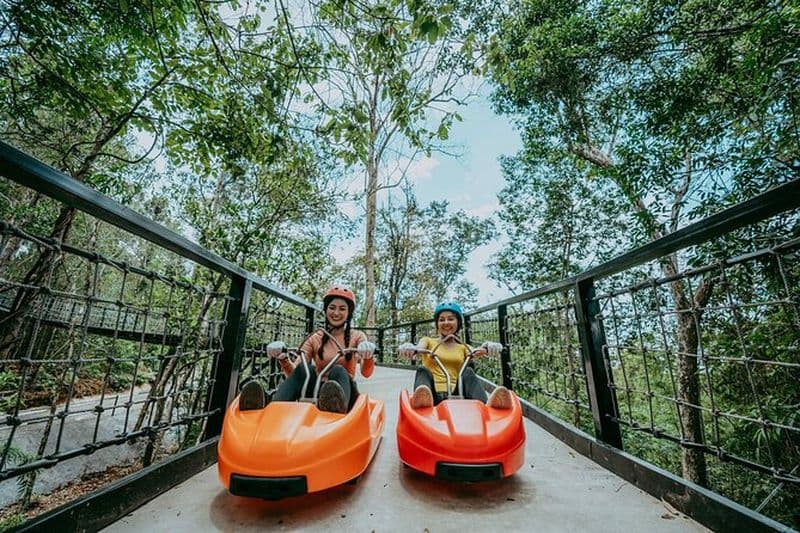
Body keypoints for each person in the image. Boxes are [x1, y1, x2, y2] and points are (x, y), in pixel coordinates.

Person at [239, 286, 376, 414]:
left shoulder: (357, 336)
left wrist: (368, 355)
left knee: (338, 370)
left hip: (345, 393)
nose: (336, 313)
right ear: (326, 310)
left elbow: (366, 373)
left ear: (349, 313)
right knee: (308, 369)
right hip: (317, 392)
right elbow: (297, 372)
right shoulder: (315, 338)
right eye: (332, 308)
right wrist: (283, 358)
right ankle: (271, 407)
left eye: (342, 309)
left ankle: (336, 408)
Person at [398, 302, 513, 409]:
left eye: (451, 319)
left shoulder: (463, 347)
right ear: (437, 324)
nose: (446, 323)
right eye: (441, 320)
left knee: (468, 371)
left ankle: (485, 406)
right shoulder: (428, 341)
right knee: (422, 370)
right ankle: (423, 400)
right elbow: (419, 348)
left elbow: (476, 351)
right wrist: (410, 348)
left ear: (458, 323)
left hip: (457, 392)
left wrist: (488, 346)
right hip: (431, 394)